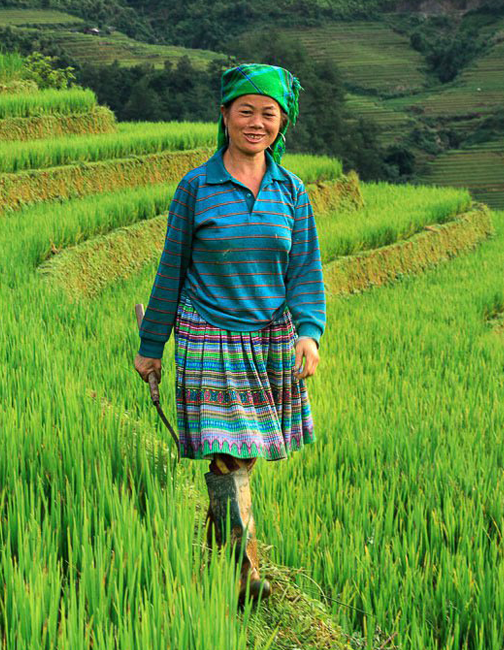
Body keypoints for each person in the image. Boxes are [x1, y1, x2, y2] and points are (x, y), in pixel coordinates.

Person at [133, 63, 324, 607]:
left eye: (268, 113)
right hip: (208, 336)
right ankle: (245, 576)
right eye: (246, 111)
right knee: (229, 455)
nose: (256, 122)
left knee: (242, 458)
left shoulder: (291, 192)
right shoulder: (196, 188)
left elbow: (305, 271)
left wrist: (308, 334)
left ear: (281, 122)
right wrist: (152, 346)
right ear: (224, 115)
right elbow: (171, 270)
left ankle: (217, 560)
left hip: (267, 340)